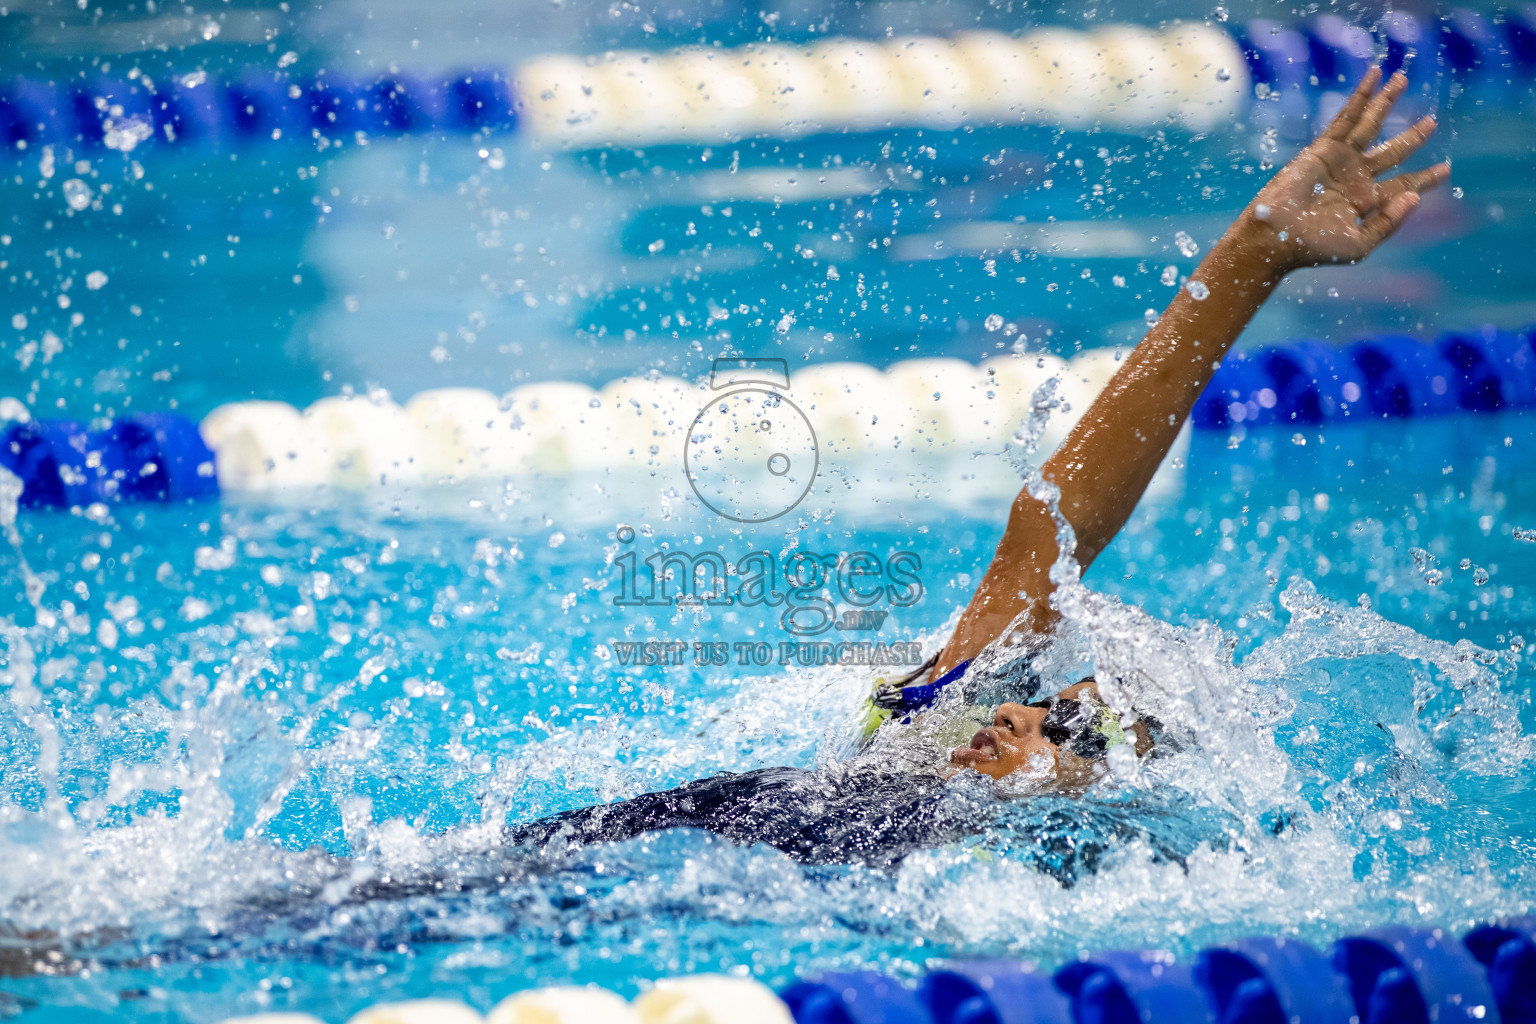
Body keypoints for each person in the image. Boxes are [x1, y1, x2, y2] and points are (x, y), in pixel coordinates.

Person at [512, 69, 1449, 872]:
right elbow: (1049, 532)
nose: (1020, 718)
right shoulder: (915, 745)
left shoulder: (1037, 871)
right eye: (1042, 702)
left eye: (1072, 732)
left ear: (1113, 789)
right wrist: (1253, 252)